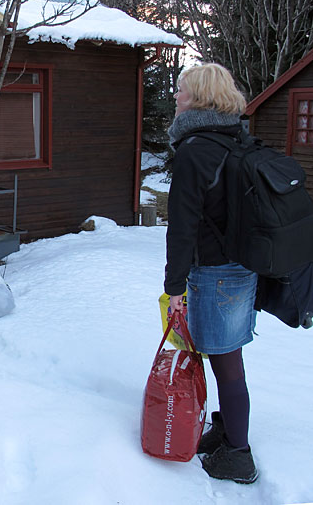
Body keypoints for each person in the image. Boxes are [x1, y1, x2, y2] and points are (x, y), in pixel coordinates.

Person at [164, 63, 258, 484]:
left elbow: (182, 226)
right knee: (226, 360)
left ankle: (239, 454)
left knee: (227, 362)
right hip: (242, 269)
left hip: (216, 274)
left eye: (182, 91)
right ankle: (226, 428)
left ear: (199, 98)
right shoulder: (236, 139)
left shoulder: (194, 150)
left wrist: (174, 287)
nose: (177, 97)